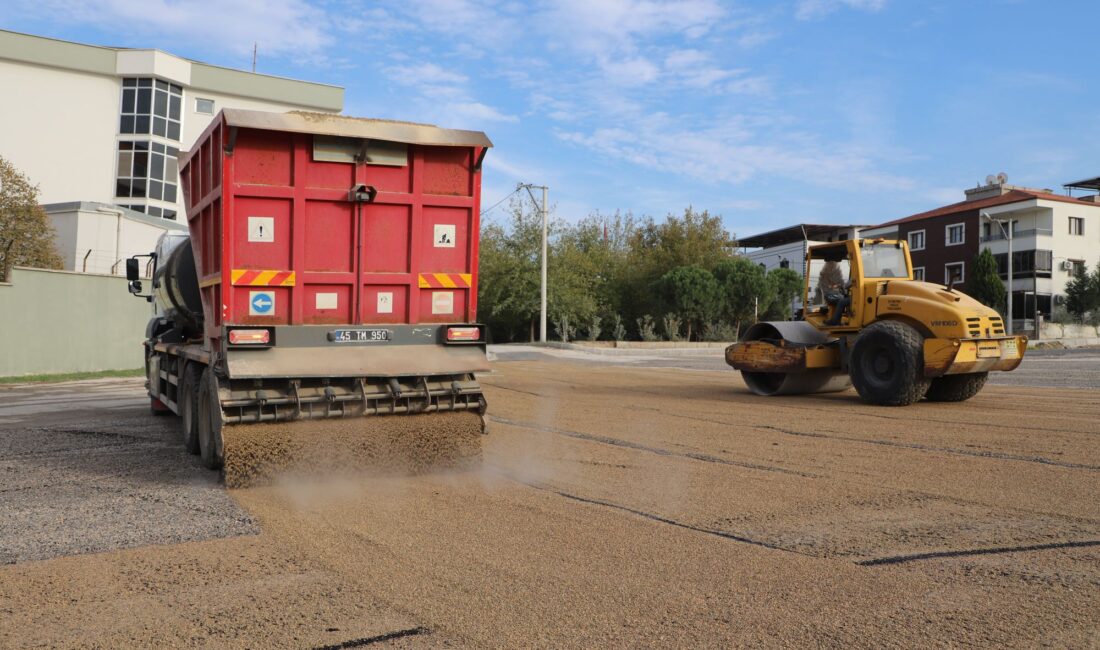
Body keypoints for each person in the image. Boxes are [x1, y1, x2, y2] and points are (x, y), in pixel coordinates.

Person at [819, 260, 851, 326]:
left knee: (842, 299)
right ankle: (835, 320)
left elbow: (843, 285)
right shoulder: (826, 276)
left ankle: (835, 320)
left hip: (837, 294)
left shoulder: (837, 275)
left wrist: (840, 286)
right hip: (830, 294)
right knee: (841, 299)